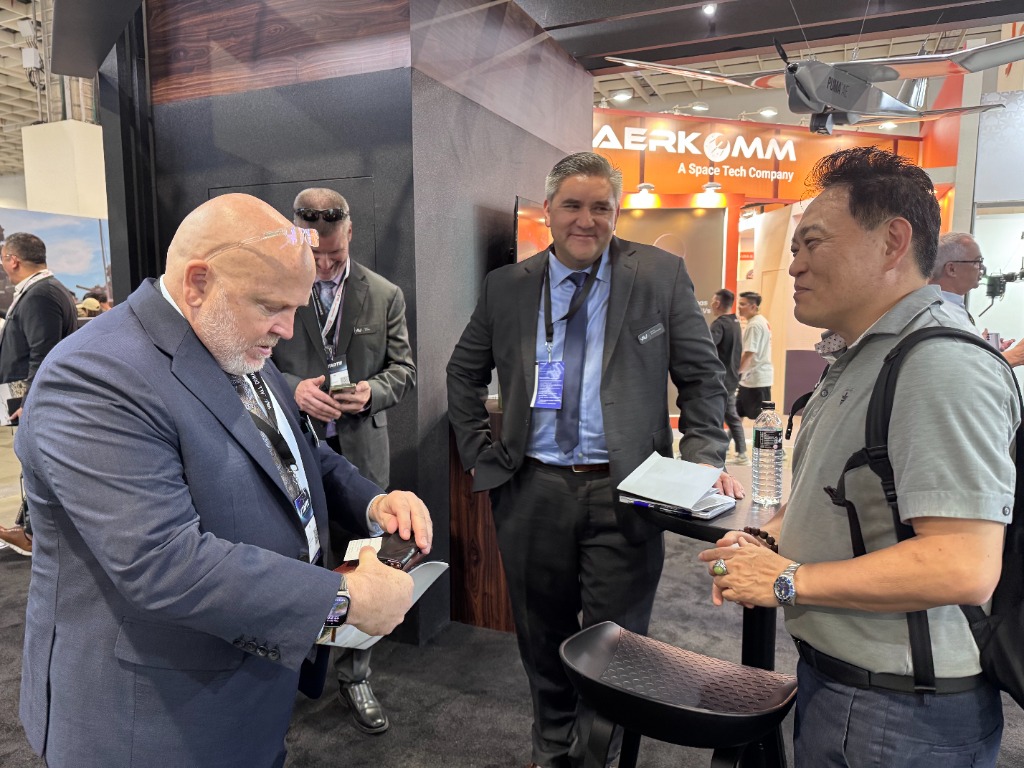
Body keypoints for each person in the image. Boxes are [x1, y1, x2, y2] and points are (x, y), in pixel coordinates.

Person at [15, 194, 433, 768]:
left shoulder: (231, 342)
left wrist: (373, 503)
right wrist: (342, 601)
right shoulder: (95, 377)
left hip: (245, 687)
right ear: (198, 283)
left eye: (295, 307)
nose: (287, 329)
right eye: (272, 307)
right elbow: (163, 562)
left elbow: (300, 456)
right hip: (153, 720)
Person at [699, 147, 1018, 767]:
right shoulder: (865, 356)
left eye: (812, 243)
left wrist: (787, 580)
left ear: (892, 242)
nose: (795, 264)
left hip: (900, 712)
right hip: (849, 687)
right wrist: (767, 540)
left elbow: (964, 564)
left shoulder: (938, 364)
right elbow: (838, 497)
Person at [447, 151, 743, 768]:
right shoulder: (508, 286)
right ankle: (552, 749)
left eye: (601, 207)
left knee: (618, 646)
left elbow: (702, 379)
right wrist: (480, 453)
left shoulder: (659, 274)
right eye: (573, 206)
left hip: (627, 491)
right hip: (532, 490)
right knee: (542, 636)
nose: (586, 220)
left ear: (617, 211)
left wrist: (700, 460)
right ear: (549, 210)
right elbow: (463, 372)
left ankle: (598, 757)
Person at [272, 187, 416, 734]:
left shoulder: (384, 294)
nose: (325, 266)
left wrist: (371, 392)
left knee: (365, 562)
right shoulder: (277, 285)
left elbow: (403, 370)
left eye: (333, 254)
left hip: (361, 450)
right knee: (296, 556)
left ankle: (356, 675)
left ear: (350, 233)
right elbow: (252, 363)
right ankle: (291, 668)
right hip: (293, 445)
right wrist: (293, 389)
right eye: (315, 255)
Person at [0, 232, 77, 554]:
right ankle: (31, 529)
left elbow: (42, 352)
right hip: (36, 397)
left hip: (36, 398)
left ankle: (35, 534)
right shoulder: (45, 290)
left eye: (3, 258)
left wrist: (30, 399)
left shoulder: (40, 294)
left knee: (37, 463)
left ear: (13, 260)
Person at [709, 288, 745, 463]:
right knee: (729, 415)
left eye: (712, 301)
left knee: (724, 416)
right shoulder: (735, 323)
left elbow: (707, 348)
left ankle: (740, 453)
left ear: (717, 303)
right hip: (731, 377)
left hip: (720, 379)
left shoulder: (719, 325)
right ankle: (735, 451)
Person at [930, 231, 985, 328]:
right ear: (952, 269)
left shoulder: (951, 307)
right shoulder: (941, 317)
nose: (982, 267)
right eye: (977, 261)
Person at [735, 290, 773, 422]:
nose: (739, 307)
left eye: (743, 304)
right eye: (739, 304)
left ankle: (763, 439)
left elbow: (749, 353)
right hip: (750, 379)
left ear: (753, 307)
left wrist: (737, 372)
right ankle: (735, 436)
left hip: (756, 380)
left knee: (762, 419)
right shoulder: (761, 321)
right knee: (737, 413)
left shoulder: (754, 325)